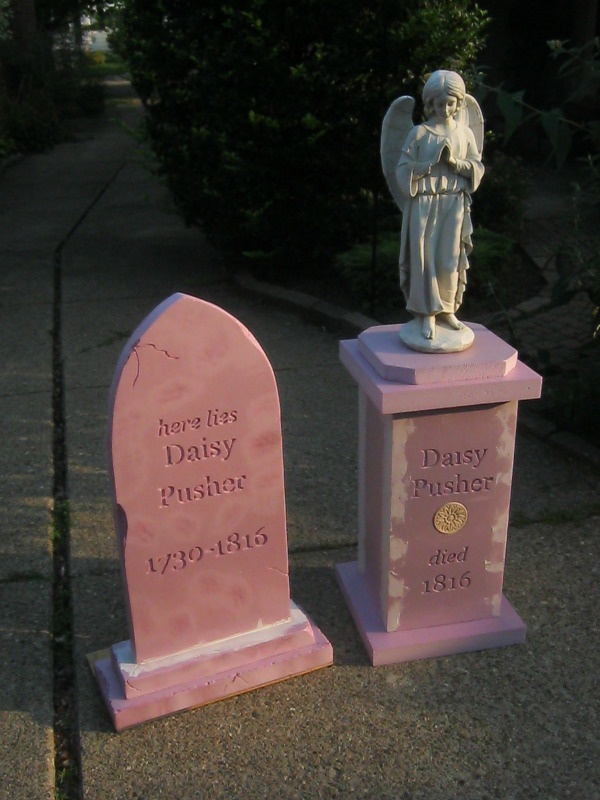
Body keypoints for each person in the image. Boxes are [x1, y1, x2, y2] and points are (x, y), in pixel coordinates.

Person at [396, 70, 484, 341]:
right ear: (430, 104)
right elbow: (402, 169)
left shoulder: (465, 133)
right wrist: (428, 166)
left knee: (448, 258)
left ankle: (447, 309)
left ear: (458, 103)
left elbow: (477, 166)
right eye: (439, 103)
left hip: (453, 203)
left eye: (450, 103)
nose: (445, 109)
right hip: (423, 204)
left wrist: (457, 164)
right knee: (424, 259)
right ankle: (428, 314)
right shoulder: (419, 133)